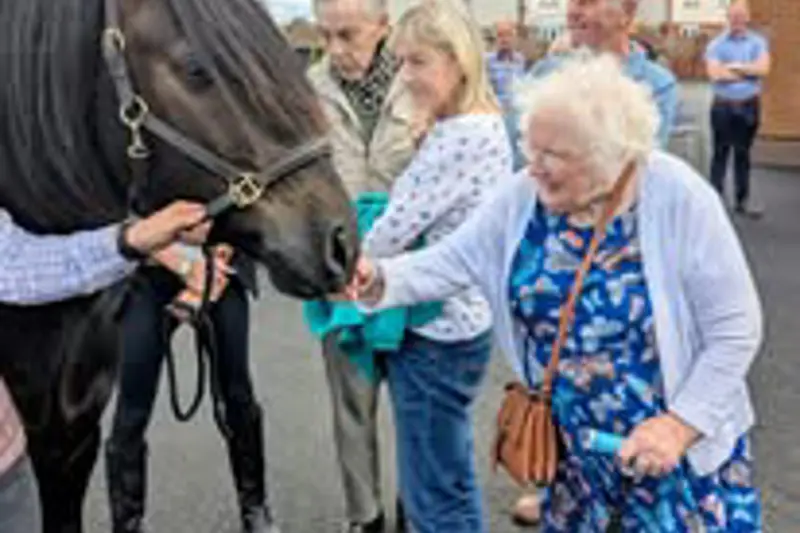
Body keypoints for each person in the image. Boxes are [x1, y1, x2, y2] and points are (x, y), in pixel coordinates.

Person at [345, 55, 763, 532]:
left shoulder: (678, 196)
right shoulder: (522, 197)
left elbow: (735, 329)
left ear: (609, 155)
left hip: (669, 458)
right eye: (531, 146)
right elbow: (453, 260)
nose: (534, 166)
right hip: (576, 462)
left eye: (554, 155)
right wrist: (379, 278)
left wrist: (680, 426)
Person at [510, 0, 680, 521]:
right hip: (552, 242)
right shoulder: (545, 73)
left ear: (627, 12)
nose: (573, 9)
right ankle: (552, 479)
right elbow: (523, 167)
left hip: (619, 247)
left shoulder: (656, 83)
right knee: (553, 366)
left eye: (588, 1)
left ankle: (637, 481)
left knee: (626, 369)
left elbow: (638, 170)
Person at [353, 2, 509, 531]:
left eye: (418, 61)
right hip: (466, 322)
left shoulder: (460, 137)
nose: (405, 76)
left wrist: (343, 266)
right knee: (451, 474)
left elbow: (392, 231)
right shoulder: (482, 124)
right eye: (400, 62)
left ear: (457, 61)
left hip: (435, 330)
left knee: (432, 493)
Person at [0, 201, 214, 533]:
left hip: (7, 465)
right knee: (132, 408)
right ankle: (128, 520)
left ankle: (253, 507)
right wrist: (179, 261)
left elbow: (16, 264)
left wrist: (133, 239)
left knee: (236, 394)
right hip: (146, 283)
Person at [307, 0, 419, 529]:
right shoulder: (309, 87)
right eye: (325, 35)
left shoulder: (422, 79)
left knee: (416, 406)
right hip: (341, 270)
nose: (334, 50)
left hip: (414, 273)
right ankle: (365, 518)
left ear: (383, 28)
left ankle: (413, 511)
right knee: (352, 405)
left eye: (347, 35)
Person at [705, 1, 770, 218]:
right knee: (720, 154)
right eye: (733, 16)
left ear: (748, 17)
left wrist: (733, 68)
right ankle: (714, 203)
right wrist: (748, 72)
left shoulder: (758, 42)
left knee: (743, 155)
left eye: (741, 16)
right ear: (728, 18)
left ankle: (743, 201)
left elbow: (763, 69)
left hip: (749, 106)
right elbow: (715, 74)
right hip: (722, 107)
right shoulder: (716, 44)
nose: (737, 20)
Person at [486, 21, 527, 168]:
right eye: (500, 35)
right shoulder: (487, 61)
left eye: (508, 35)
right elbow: (484, 90)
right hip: (498, 113)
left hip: (518, 112)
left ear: (515, 37)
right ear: (495, 38)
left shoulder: (520, 59)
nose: (505, 39)